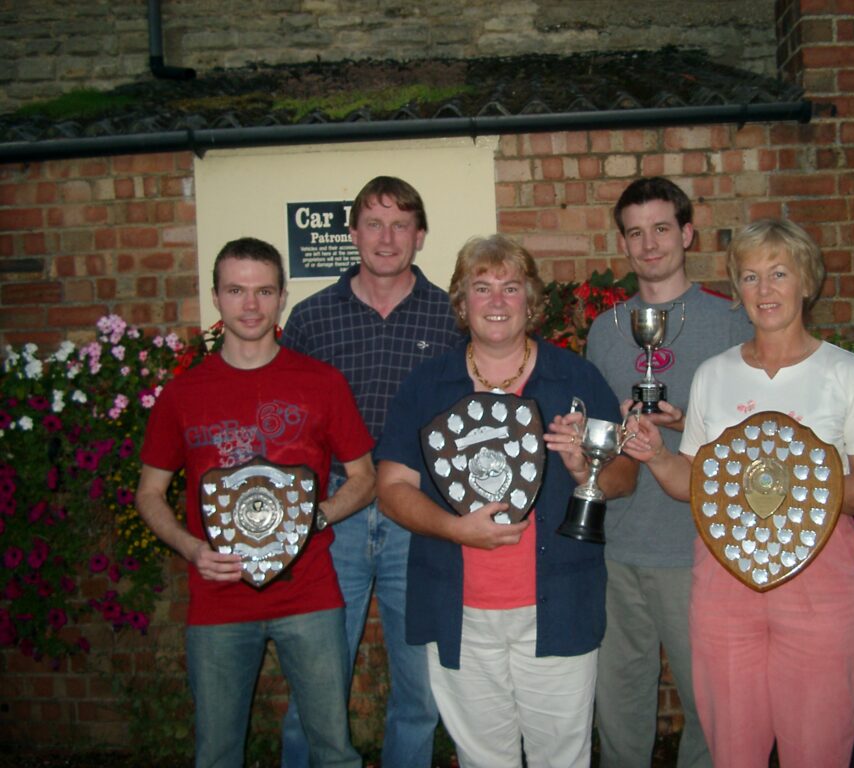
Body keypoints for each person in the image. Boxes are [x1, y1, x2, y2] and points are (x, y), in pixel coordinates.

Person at [623, 218, 854, 768]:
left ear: (806, 282)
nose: (764, 290)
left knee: (817, 748)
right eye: (749, 277)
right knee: (733, 749)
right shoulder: (713, 374)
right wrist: (657, 456)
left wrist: (793, 485)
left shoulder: (848, 374)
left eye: (778, 274)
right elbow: (695, 485)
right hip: (725, 585)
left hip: (820, 579)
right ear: (737, 290)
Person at [376, 234, 638, 767]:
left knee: (561, 758)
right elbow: (390, 489)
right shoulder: (429, 384)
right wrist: (453, 530)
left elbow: (626, 476)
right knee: (482, 760)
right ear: (462, 301)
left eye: (511, 288)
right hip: (457, 607)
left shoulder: (575, 377)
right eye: (482, 287)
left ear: (531, 301)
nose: (497, 301)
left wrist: (584, 466)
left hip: (558, 604)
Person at [135, 237, 376, 768]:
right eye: (237, 291)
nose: (251, 305)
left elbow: (365, 478)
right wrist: (191, 547)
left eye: (264, 291)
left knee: (334, 752)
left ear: (282, 297)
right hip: (218, 599)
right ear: (217, 298)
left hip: (310, 596)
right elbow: (149, 493)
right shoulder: (182, 395)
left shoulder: (321, 383)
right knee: (217, 754)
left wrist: (317, 517)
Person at [280, 176, 460, 768]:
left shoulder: (450, 316)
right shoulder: (311, 320)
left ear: (420, 235)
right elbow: (291, 425)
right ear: (352, 232)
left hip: (418, 513)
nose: (387, 238)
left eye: (401, 224)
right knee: (316, 679)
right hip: (336, 514)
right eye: (374, 223)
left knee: (419, 689)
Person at [585, 176, 752, 768]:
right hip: (618, 543)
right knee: (619, 703)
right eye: (635, 233)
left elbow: (756, 439)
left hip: (697, 547)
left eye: (661, 228)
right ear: (624, 244)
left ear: (686, 233)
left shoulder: (732, 322)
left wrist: (686, 425)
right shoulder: (603, 332)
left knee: (710, 705)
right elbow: (597, 443)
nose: (649, 244)